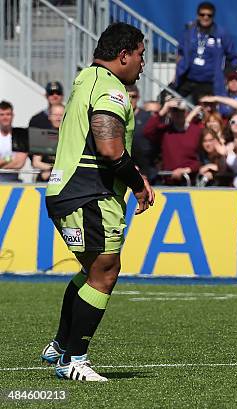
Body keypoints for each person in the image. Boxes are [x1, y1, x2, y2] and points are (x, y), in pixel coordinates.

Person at [41, 23, 154, 382]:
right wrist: (137, 183)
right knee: (105, 272)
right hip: (89, 193)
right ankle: (74, 360)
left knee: (91, 270)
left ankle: (60, 346)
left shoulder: (85, 78)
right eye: (140, 55)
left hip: (66, 191)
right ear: (123, 56)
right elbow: (108, 146)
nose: (142, 64)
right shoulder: (112, 90)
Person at [175, 1, 237, 102]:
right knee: (169, 100)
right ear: (197, 15)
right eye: (202, 14)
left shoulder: (221, 33)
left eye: (209, 15)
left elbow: (232, 56)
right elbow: (180, 53)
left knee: (203, 110)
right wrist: (177, 72)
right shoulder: (189, 32)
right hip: (187, 79)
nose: (205, 17)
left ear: (213, 16)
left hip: (209, 82)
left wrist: (226, 74)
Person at [144, 97, 202, 185]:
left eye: (181, 111)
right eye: (174, 111)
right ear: (170, 113)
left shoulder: (196, 131)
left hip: (190, 179)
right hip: (168, 179)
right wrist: (163, 110)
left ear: (186, 112)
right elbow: (147, 131)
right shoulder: (165, 131)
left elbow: (202, 157)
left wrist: (187, 170)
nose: (178, 114)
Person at [127, 85, 158, 182]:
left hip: (147, 166)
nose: (131, 100)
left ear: (139, 97)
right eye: (128, 96)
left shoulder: (147, 117)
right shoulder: (119, 117)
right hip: (126, 165)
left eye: (134, 97)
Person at [32, 103, 64, 181]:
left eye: (61, 115)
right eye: (55, 115)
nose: (58, 118)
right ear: (50, 116)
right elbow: (36, 163)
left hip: (64, 179)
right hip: (45, 179)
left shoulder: (71, 137)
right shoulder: (42, 137)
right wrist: (52, 169)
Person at [0, 100, 28, 182]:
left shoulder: (21, 135)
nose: (5, 117)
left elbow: (19, 163)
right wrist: (9, 158)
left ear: (13, 115)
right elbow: (15, 161)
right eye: (2, 115)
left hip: (14, 183)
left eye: (8, 114)